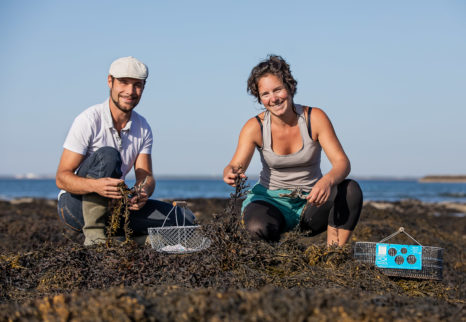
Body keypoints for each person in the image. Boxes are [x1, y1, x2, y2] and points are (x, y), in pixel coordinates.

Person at [223, 55, 363, 246]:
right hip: (270, 203)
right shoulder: (254, 126)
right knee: (258, 228)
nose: (273, 98)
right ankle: (275, 257)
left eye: (278, 89)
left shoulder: (315, 118)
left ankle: (334, 257)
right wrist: (230, 172)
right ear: (259, 98)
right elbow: (235, 165)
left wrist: (327, 181)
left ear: (289, 86)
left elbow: (342, 163)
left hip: (311, 204)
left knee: (350, 190)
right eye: (265, 94)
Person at [56, 56, 193, 246]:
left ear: (144, 87)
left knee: (183, 219)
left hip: (115, 209)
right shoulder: (88, 120)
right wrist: (95, 186)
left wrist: (142, 191)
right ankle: (95, 239)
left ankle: (128, 242)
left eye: (137, 85)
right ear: (110, 81)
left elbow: (146, 176)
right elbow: (62, 177)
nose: (130, 91)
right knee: (108, 155)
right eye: (124, 83)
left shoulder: (143, 127)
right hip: (75, 208)